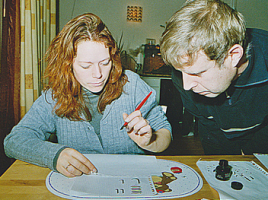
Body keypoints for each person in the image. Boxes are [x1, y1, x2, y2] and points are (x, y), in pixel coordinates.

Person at [4, 13, 171, 177]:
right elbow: (14, 141)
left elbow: (166, 132)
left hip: (131, 181)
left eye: (105, 63)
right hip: (80, 184)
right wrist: (54, 155)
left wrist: (151, 141)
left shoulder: (132, 84)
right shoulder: (55, 96)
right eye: (86, 66)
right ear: (67, 64)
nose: (98, 74)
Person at [160, 0, 268, 155]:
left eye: (197, 73)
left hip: (266, 135)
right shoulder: (183, 74)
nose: (186, 85)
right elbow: (209, 126)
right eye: (181, 72)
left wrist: (253, 152)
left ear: (234, 56)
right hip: (216, 134)